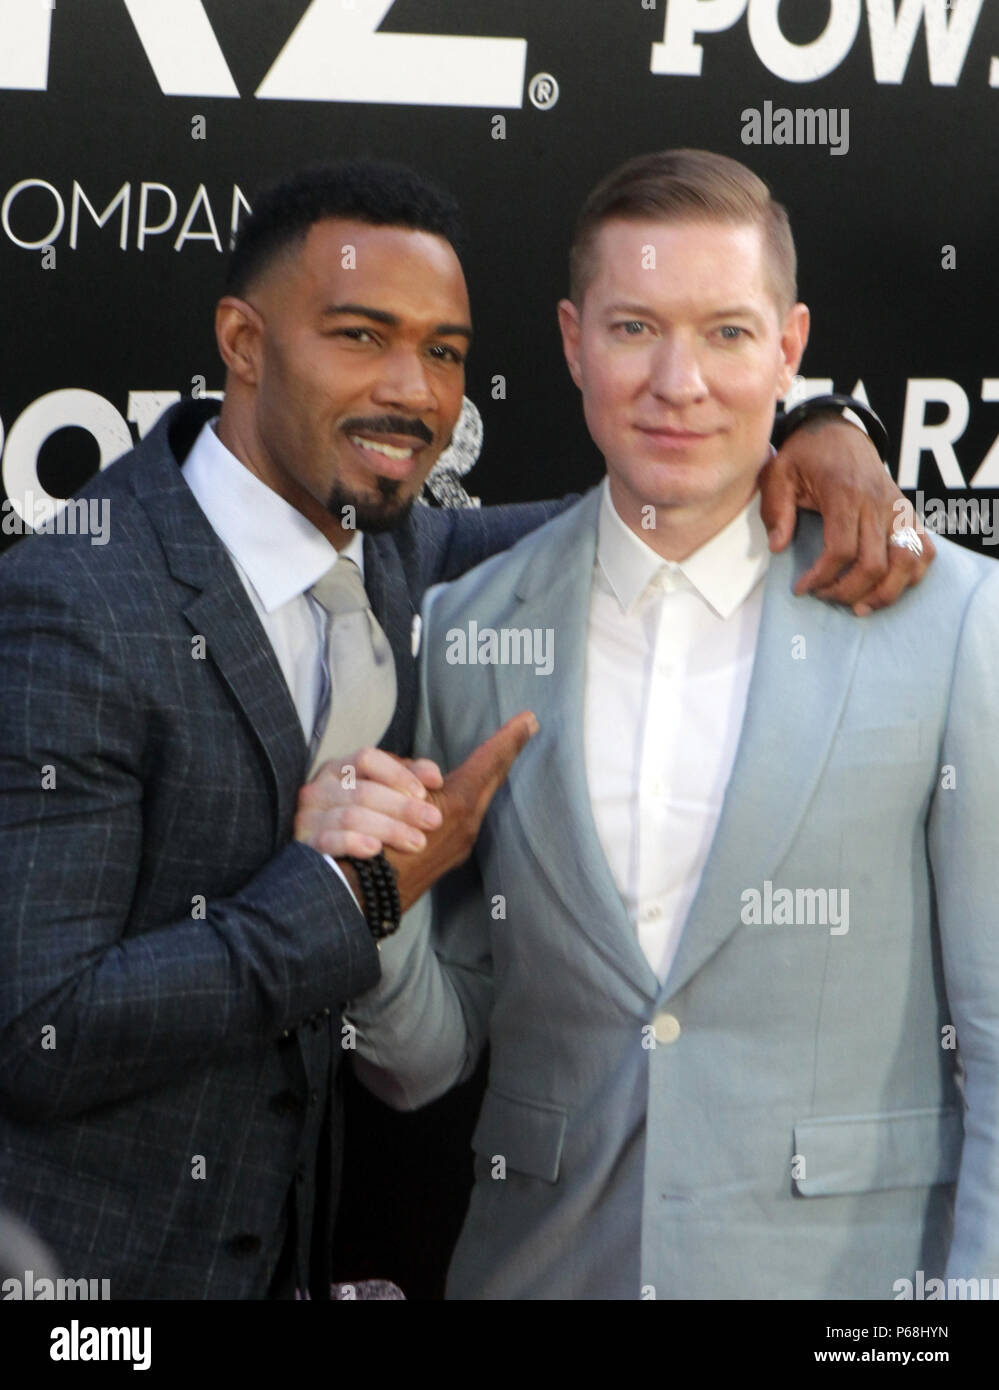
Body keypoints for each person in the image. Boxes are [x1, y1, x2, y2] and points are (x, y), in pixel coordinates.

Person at [0, 158, 924, 1301]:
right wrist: (355, 899)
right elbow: (33, 1029)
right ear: (243, 342)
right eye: (359, 336)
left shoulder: (404, 554)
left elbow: (667, 503)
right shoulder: (77, 601)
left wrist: (820, 428)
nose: (414, 392)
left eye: (442, 352)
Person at [341, 150, 999, 1300]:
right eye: (636, 328)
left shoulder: (950, 619)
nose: (678, 382)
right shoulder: (464, 627)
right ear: (570, 340)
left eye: (728, 334)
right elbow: (421, 1063)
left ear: (790, 349)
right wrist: (375, 905)